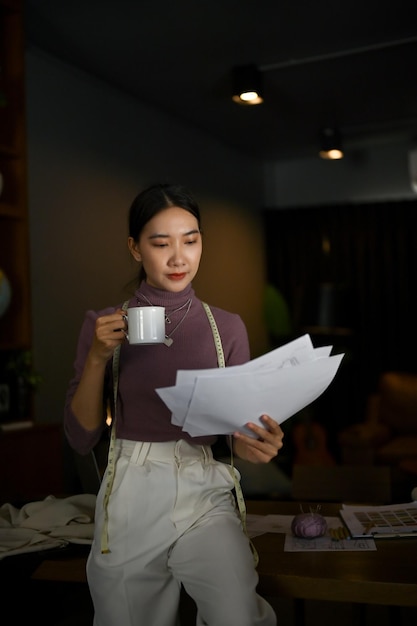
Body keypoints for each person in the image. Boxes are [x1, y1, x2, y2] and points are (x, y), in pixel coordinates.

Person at [64, 182, 284, 626]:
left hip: (204, 485)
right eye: (161, 243)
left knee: (237, 614)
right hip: (132, 485)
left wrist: (256, 444)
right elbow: (81, 434)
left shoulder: (227, 328)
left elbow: (235, 436)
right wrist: (96, 358)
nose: (179, 257)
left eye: (191, 239)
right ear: (135, 248)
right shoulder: (105, 325)